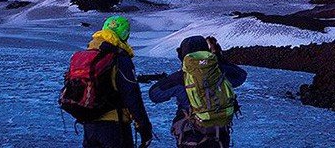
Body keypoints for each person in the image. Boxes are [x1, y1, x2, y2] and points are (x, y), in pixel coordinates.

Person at [149, 36, 247, 147]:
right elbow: (241, 76)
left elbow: (154, 94)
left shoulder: (180, 78)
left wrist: (168, 80)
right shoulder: (220, 71)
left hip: (191, 136)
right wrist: (218, 59)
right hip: (220, 134)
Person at [81, 16, 154, 148]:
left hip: (89, 124)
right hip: (114, 125)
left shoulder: (89, 54)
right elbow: (131, 94)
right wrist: (143, 126)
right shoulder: (119, 57)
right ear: (125, 34)